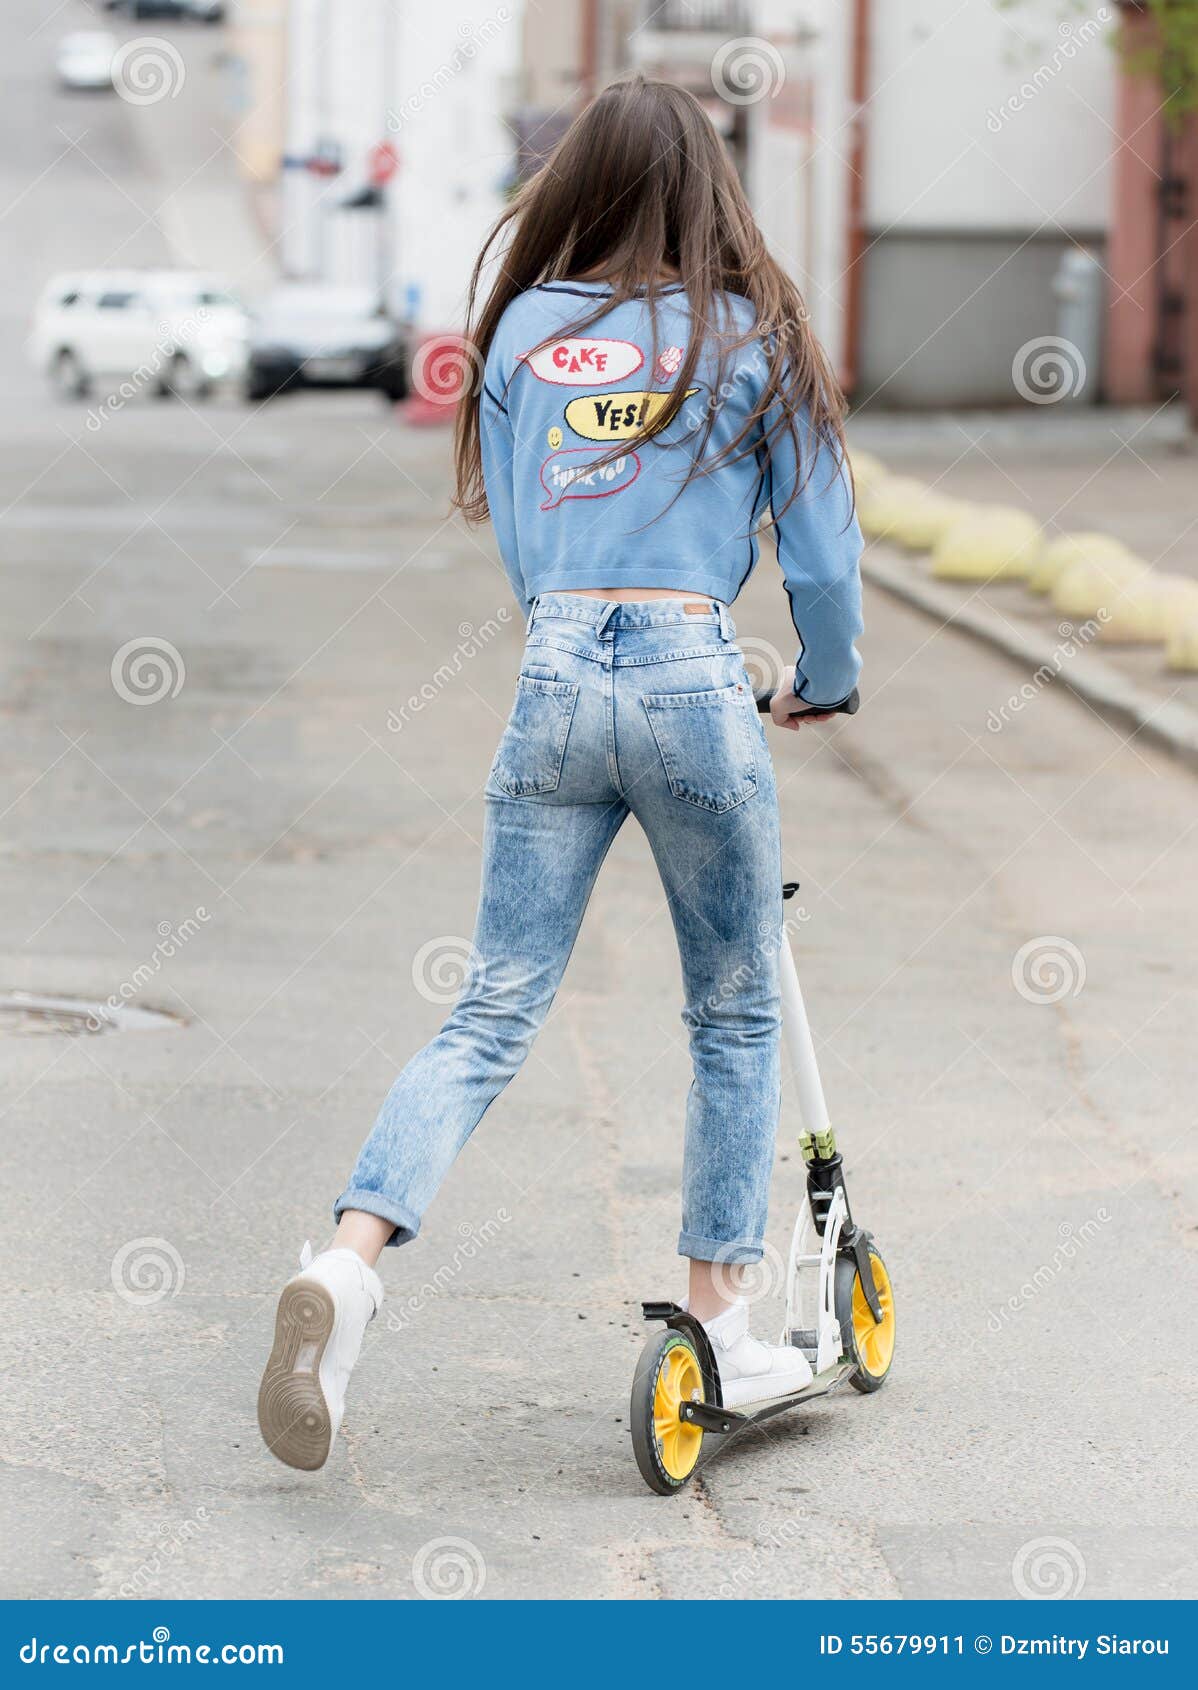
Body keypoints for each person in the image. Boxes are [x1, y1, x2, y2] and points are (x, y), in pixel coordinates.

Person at [257, 74, 863, 1472]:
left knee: (487, 1010)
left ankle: (348, 1264)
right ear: (706, 192)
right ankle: (717, 1316)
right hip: (695, 679)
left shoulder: (526, 330)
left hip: (553, 678)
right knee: (728, 1007)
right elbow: (821, 560)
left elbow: (532, 554)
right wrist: (819, 679)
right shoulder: (753, 332)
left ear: (574, 189)